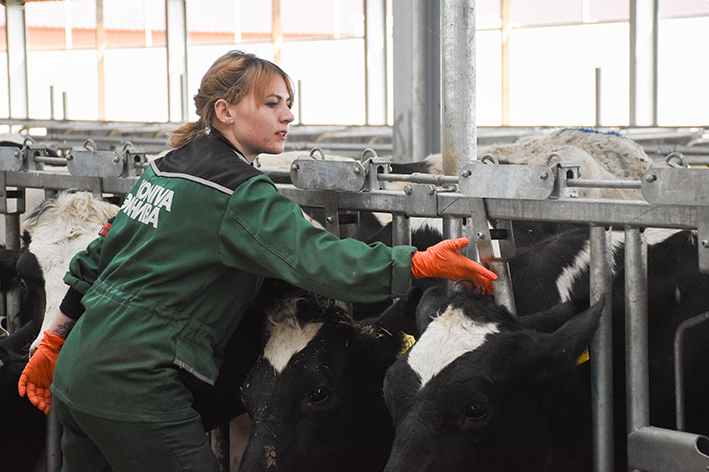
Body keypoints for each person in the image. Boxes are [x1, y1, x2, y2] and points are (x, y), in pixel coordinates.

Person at [18, 50, 497, 472]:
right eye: (272, 104)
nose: (288, 115)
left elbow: (96, 258)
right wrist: (416, 264)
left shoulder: (164, 169)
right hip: (136, 384)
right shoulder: (238, 191)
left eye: (288, 103)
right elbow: (316, 258)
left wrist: (53, 342)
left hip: (78, 368)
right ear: (224, 111)